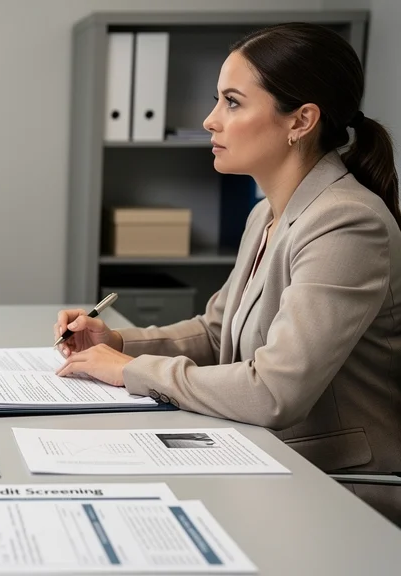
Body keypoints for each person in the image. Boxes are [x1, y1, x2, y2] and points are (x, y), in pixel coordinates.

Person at [54, 22, 401, 524]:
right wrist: (119, 343)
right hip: (267, 457)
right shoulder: (267, 213)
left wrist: (127, 372)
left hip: (341, 489)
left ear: (300, 120)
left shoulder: (347, 222)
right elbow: (218, 331)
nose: (211, 120)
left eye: (232, 102)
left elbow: (274, 391)